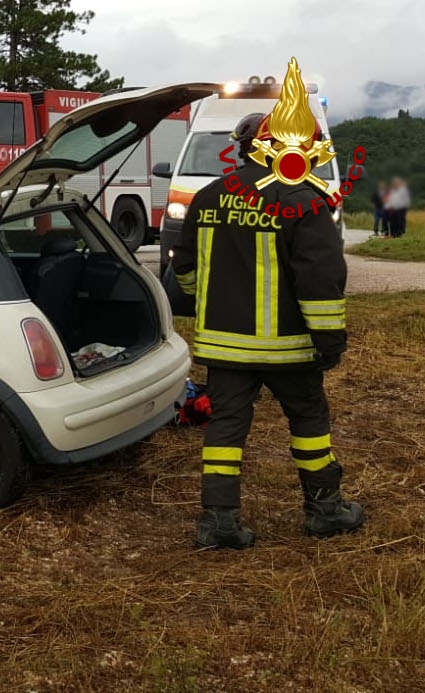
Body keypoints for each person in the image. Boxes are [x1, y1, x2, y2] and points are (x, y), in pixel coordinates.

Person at [171, 112, 364, 550]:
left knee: (225, 427)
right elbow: (320, 279)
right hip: (290, 349)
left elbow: (183, 266)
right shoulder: (304, 200)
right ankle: (325, 511)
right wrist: (329, 341)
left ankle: (219, 523)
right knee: (309, 420)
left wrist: (208, 302)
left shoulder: (209, 196)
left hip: (225, 347)